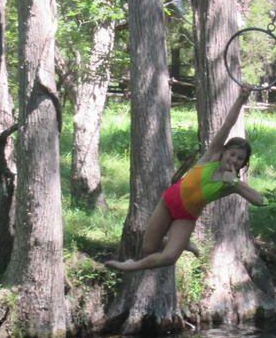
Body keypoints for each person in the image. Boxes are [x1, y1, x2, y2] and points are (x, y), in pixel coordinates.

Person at [105, 87, 264, 272]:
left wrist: (236, 184)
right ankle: (181, 243)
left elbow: (260, 201)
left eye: (239, 159)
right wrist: (241, 99)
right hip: (169, 200)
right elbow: (228, 124)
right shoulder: (211, 156)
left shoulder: (231, 185)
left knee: (170, 258)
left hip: (186, 216)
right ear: (224, 152)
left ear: (243, 163)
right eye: (232, 154)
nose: (234, 160)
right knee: (149, 248)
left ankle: (131, 266)